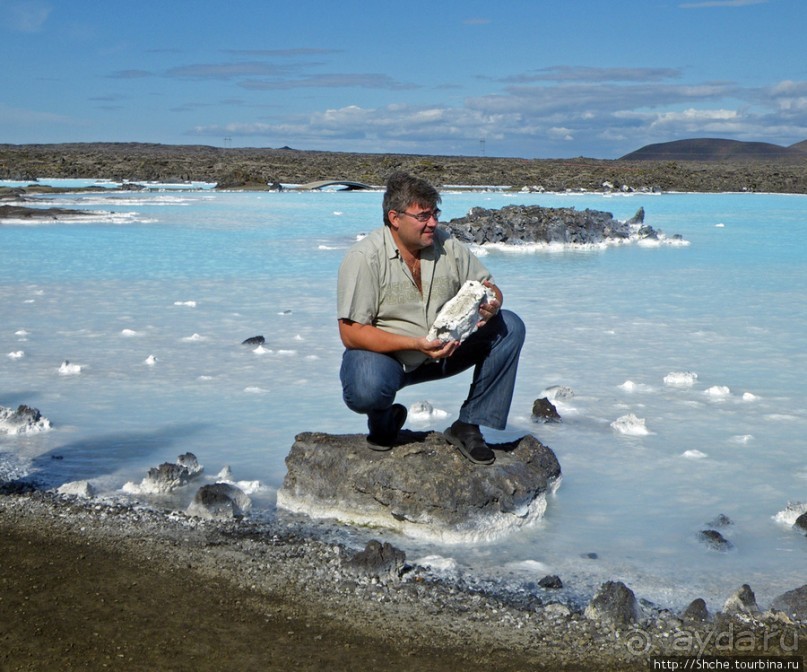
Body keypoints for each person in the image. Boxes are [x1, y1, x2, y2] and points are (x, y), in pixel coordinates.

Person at [336, 172, 525, 465]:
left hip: (446, 350)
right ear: (395, 218)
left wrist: (493, 303)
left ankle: (468, 424)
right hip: (390, 359)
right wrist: (414, 343)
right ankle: (383, 420)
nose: (433, 223)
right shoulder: (364, 258)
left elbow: (489, 286)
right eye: (423, 215)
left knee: (510, 327)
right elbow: (351, 333)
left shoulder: (446, 245)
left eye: (435, 213)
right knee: (365, 387)